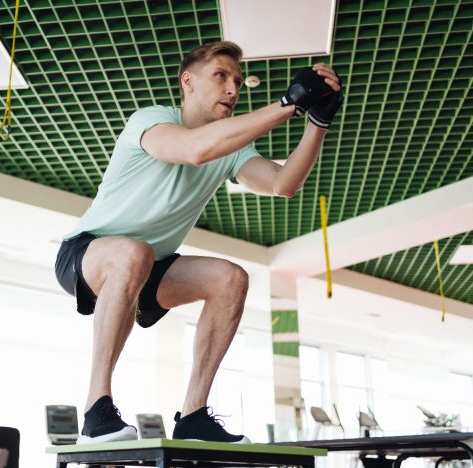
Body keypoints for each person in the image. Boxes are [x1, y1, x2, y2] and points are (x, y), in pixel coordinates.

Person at [55, 41, 343, 444]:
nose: (233, 89)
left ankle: (193, 415)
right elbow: (194, 150)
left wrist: (317, 124)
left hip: (153, 265)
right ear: (188, 81)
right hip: (87, 254)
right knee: (131, 252)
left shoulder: (232, 149)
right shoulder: (152, 121)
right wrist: (287, 105)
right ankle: (95, 409)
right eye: (221, 76)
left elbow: (283, 183)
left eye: (238, 81)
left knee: (231, 278)